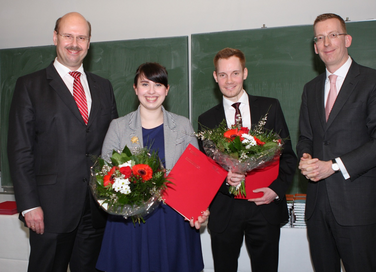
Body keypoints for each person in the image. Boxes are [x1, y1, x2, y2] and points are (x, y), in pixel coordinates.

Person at [7, 12, 118, 272]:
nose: (74, 43)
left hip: (96, 209)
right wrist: (29, 204)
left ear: (89, 43)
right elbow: (20, 150)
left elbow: (113, 145)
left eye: (82, 37)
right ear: (55, 37)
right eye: (68, 35)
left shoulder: (104, 87)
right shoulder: (29, 85)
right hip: (49, 210)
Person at [96, 62, 208, 272]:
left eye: (158, 85)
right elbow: (106, 178)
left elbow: (196, 178)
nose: (151, 91)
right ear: (135, 88)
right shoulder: (118, 127)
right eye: (145, 84)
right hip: (130, 221)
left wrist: (200, 209)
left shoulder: (183, 125)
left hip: (173, 222)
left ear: (167, 90)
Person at [198, 48, 297, 272]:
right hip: (225, 211)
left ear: (245, 73)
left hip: (264, 206)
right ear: (215, 77)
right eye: (222, 75)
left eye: (234, 73)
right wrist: (225, 181)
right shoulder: (206, 119)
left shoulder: (270, 107)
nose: (229, 80)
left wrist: (276, 190)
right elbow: (206, 170)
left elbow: (288, 156)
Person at [297, 13, 376, 272]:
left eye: (333, 35)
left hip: (357, 207)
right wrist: (306, 158)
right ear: (315, 47)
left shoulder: (371, 81)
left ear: (347, 39)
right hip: (317, 207)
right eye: (320, 38)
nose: (327, 42)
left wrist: (334, 165)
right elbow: (305, 137)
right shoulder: (310, 88)